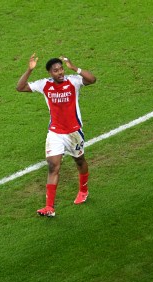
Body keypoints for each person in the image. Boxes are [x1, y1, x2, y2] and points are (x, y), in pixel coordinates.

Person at [16, 53, 97, 217]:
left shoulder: (73, 81)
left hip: (74, 132)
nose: (60, 72)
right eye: (56, 70)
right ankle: (49, 207)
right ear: (50, 73)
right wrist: (29, 70)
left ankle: (83, 190)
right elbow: (20, 87)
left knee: (79, 161)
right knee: (53, 167)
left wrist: (75, 68)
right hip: (55, 133)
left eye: (61, 69)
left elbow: (92, 79)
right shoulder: (44, 85)